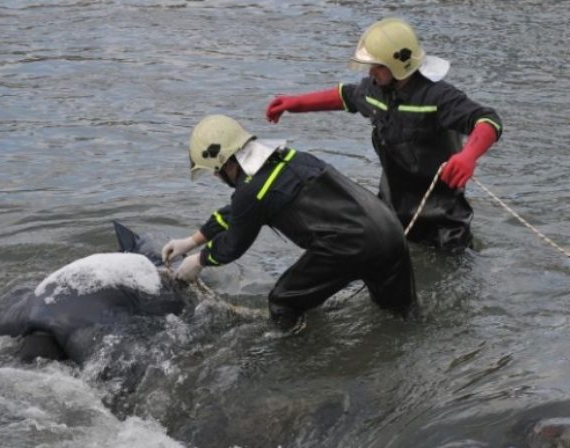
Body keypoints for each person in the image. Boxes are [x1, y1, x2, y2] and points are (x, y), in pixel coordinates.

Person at [266, 17, 503, 252]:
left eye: (377, 66)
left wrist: (468, 156)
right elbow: (346, 96)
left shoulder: (438, 97)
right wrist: (295, 103)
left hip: (443, 220)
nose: (371, 72)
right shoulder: (374, 91)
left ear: (397, 64)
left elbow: (487, 120)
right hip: (391, 212)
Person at [162, 114, 417, 331]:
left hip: (351, 245)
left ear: (226, 162)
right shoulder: (291, 159)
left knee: (283, 302)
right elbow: (239, 212)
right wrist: (192, 241)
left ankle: (302, 366)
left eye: (215, 170)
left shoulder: (252, 191)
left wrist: (199, 261)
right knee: (403, 318)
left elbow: (233, 246)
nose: (216, 176)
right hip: (389, 230)